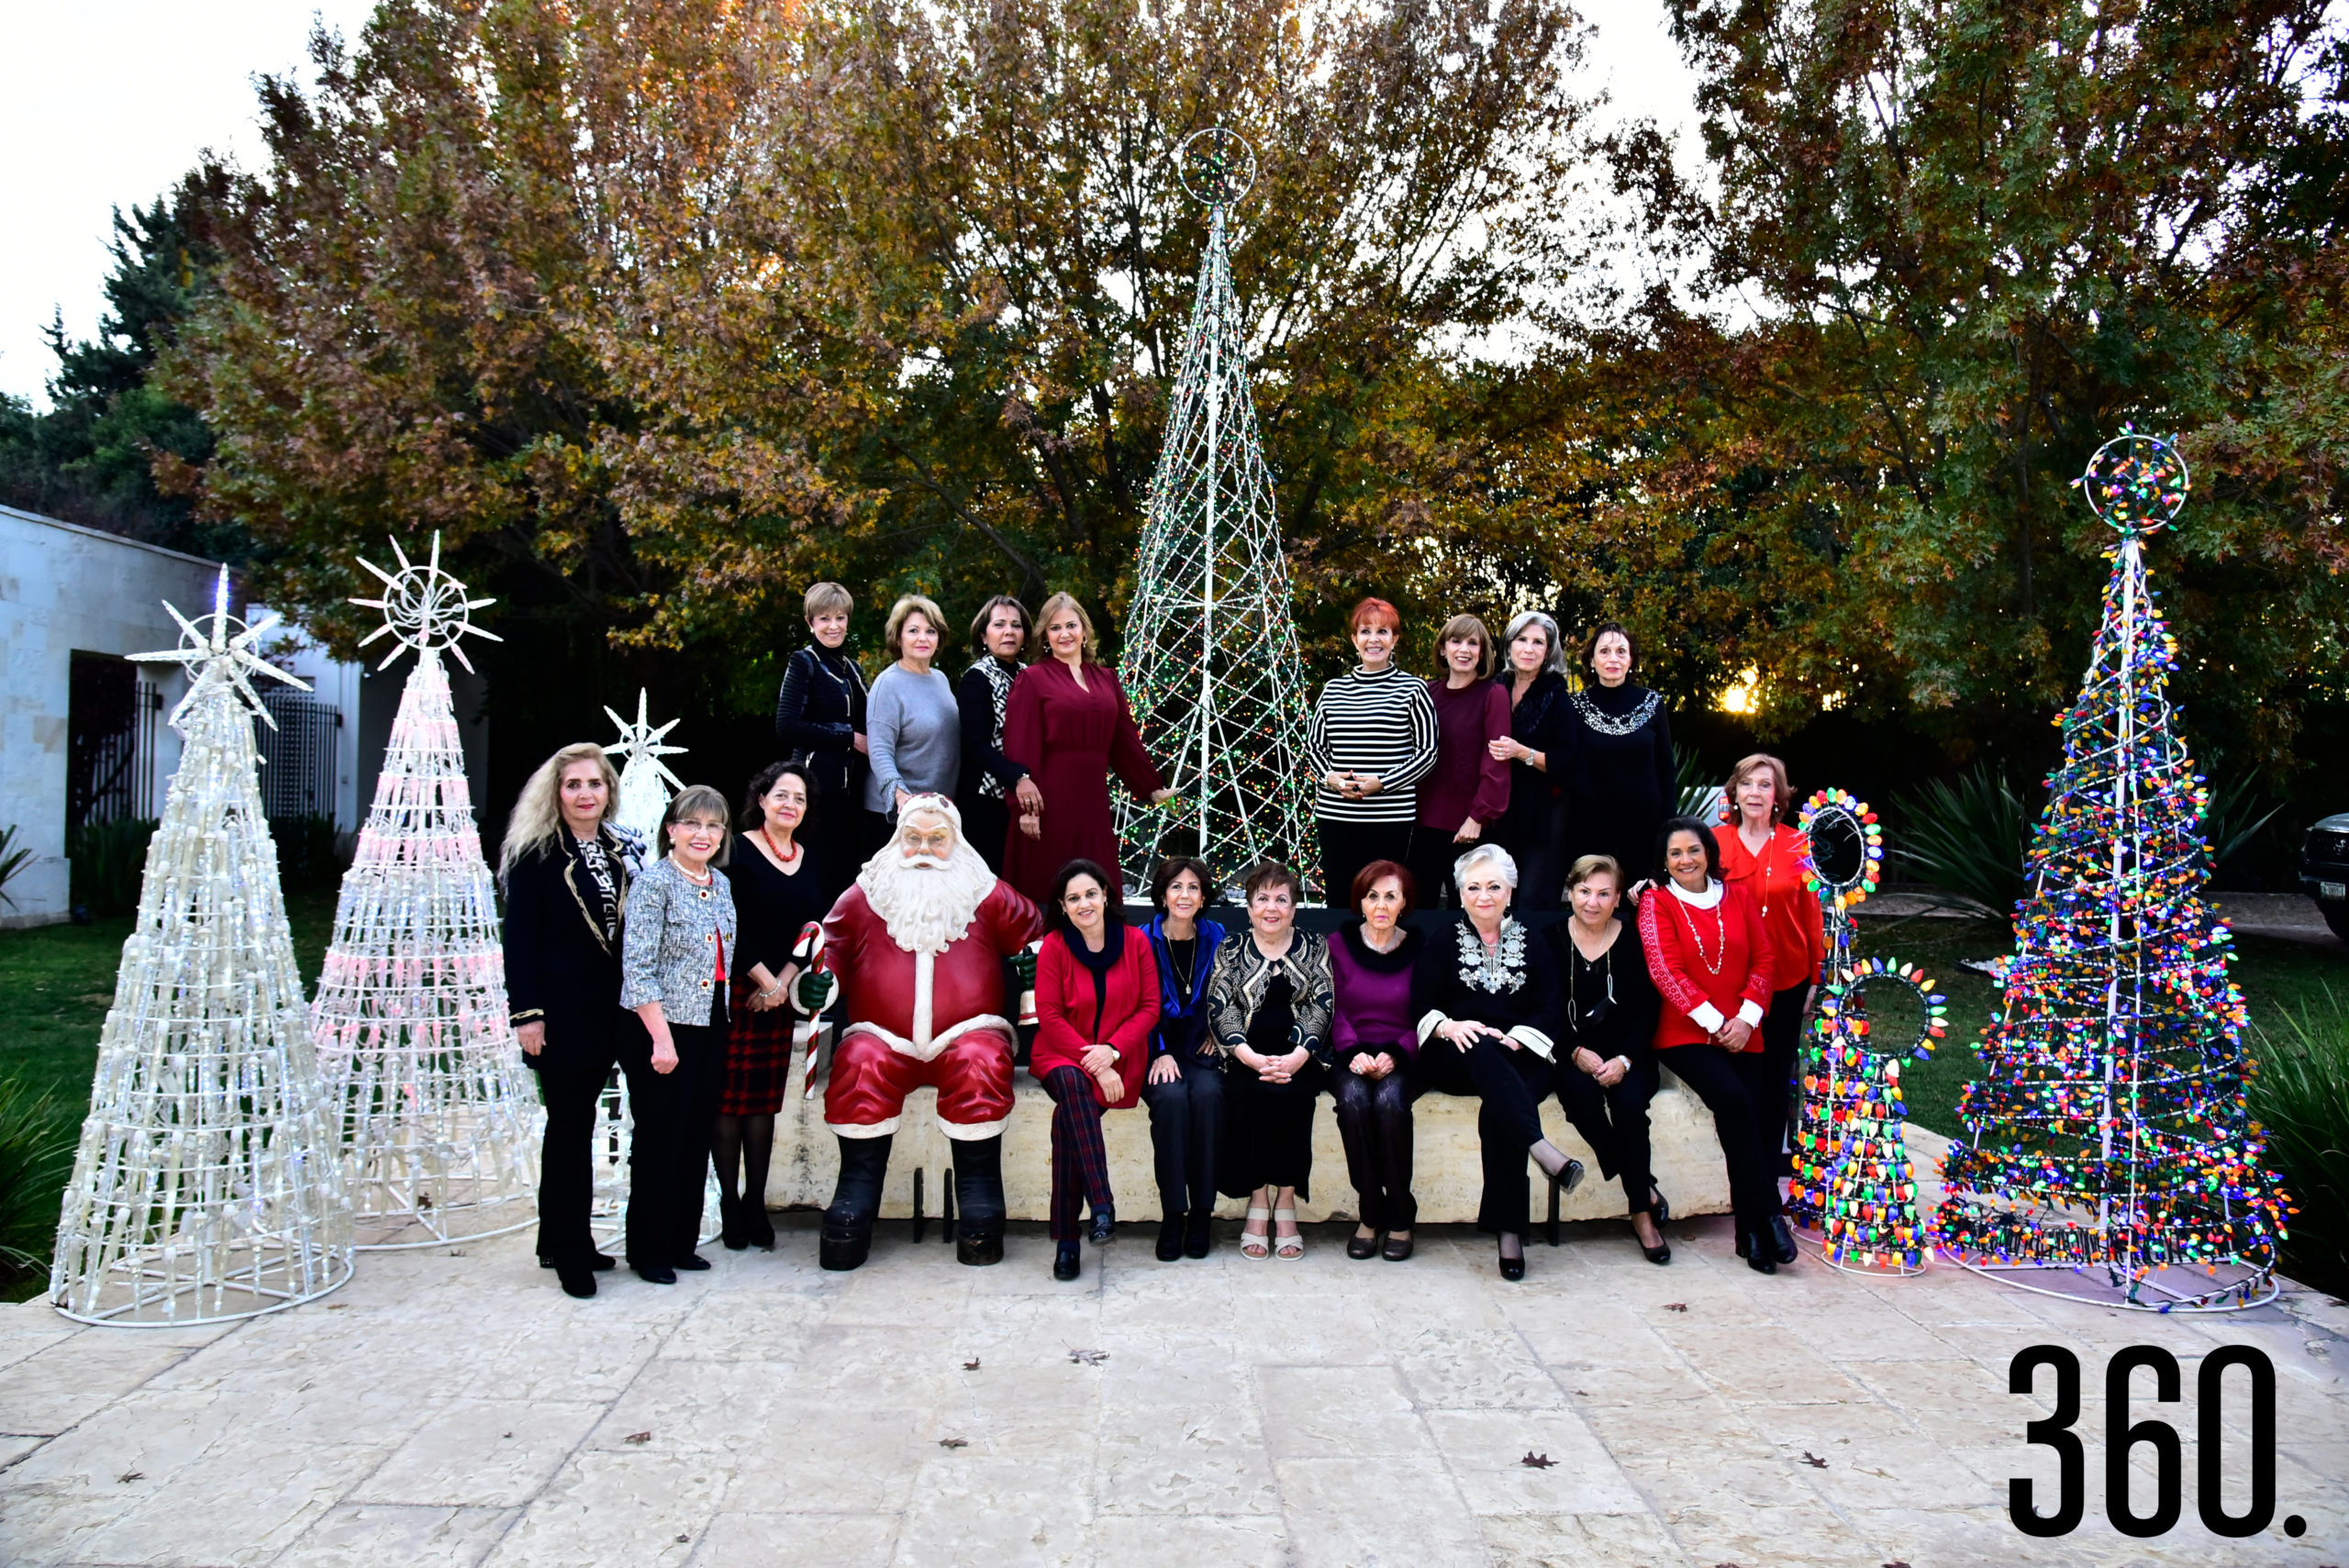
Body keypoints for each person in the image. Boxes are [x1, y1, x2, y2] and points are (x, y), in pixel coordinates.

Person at [790, 795, 1044, 1270]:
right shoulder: (867, 893)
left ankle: (980, 1192)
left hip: (969, 1031)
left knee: (982, 1063)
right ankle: (856, 1191)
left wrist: (1038, 963)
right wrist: (819, 985)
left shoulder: (986, 891)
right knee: (859, 1063)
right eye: (913, 838)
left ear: (957, 841)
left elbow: (1035, 932)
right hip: (881, 1034)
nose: (924, 848)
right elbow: (834, 951)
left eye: (937, 839)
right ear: (897, 838)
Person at [1409, 842, 1586, 1280]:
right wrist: (1449, 1026)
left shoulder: (1535, 941)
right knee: (1481, 1047)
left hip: (1522, 1056)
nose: (1483, 896)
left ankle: (1508, 1230)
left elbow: (1551, 1006)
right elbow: (1419, 1003)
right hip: (1457, 1056)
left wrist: (1516, 1039)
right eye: (1473, 887)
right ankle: (1542, 1151)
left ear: (1510, 891)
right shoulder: (1441, 940)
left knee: (1502, 1107)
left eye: (1494, 886)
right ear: (1460, 894)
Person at [500, 742, 631, 1299]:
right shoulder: (535, 855)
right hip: (558, 1015)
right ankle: (572, 1252)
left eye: (595, 784)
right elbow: (519, 941)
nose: (585, 794)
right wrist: (527, 1015)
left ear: (609, 792)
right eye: (574, 785)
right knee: (571, 1131)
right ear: (557, 793)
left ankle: (556, 1236)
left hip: (609, 1013)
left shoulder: (617, 851)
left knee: (578, 1128)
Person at [1636, 816, 1788, 1273]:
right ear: (1663, 862)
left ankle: (1751, 1235)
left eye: (1694, 850)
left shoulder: (1738, 895)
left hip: (1746, 1030)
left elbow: (1765, 958)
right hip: (1684, 1034)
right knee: (1734, 1101)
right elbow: (1665, 971)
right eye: (1675, 853)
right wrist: (1717, 1023)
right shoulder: (1655, 902)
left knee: (1753, 1124)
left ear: (1709, 853)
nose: (1686, 859)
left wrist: (1745, 1019)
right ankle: (1768, 1217)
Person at [618, 785, 739, 1284]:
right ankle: (649, 1250)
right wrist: (661, 1040)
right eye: (692, 823)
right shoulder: (654, 884)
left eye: (713, 825)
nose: (703, 834)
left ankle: (681, 1243)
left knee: (695, 1137)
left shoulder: (722, 884)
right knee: (659, 1139)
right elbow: (638, 968)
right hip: (661, 1028)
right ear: (672, 829)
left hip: (711, 1022)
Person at [1030, 860, 1161, 1281]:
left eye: (1090, 894)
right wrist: (1096, 1062)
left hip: (1121, 1057)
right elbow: (1048, 1015)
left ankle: (1068, 1242)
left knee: (1066, 1119)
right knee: (1071, 1082)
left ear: (1106, 895)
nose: (1084, 903)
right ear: (1063, 907)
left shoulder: (1136, 942)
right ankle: (1101, 1204)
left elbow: (1149, 1007)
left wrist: (1113, 1053)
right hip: (1064, 1053)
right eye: (1073, 898)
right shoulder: (1054, 945)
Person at [1000, 593, 1174, 903]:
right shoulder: (1032, 679)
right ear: (1045, 635)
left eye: (1071, 625)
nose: (1064, 634)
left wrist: (1151, 787)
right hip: (1049, 804)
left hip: (1092, 803)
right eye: (1055, 628)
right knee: (1051, 889)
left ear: (1084, 630)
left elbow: (1123, 741)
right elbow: (1019, 747)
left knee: (1098, 885)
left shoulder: (1106, 679)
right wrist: (1024, 809)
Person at [716, 762, 826, 1251]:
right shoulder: (734, 850)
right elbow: (722, 922)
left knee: (762, 1106)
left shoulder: (810, 859)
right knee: (727, 1105)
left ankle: (756, 1204)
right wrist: (760, 979)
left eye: (799, 799)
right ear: (761, 799)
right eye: (781, 795)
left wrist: (781, 983)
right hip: (735, 992)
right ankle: (728, 1205)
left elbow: (810, 931)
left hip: (778, 996)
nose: (789, 805)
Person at [1207, 862, 1333, 1261]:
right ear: (1248, 908)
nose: (1272, 907)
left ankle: (1287, 1201)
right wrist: (1247, 1056)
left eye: (1282, 899)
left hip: (1301, 1056)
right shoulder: (1230, 947)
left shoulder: (1315, 945)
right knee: (1248, 1098)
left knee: (1295, 1100)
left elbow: (1321, 1003)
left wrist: (1297, 1057)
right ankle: (1259, 1200)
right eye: (1262, 899)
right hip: (1245, 1057)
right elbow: (1220, 1005)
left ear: (1294, 907)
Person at [1548, 855, 1669, 1264]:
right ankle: (1641, 1184)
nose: (1592, 902)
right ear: (1570, 893)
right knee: (1578, 1097)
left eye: (1603, 893)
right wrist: (1575, 1051)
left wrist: (1624, 1060)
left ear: (1618, 897)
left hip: (1629, 1054)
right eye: (1584, 891)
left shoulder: (1634, 939)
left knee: (1630, 1106)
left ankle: (1641, 1215)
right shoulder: (1549, 938)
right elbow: (1543, 1009)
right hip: (1571, 1052)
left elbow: (1648, 1011)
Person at [1714, 753, 1826, 1191]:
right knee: (1743, 1081)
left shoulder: (1800, 844)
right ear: (1734, 793)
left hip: (1788, 977)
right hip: (1734, 983)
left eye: (1765, 785)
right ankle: (1741, 1174)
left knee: (1777, 1079)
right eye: (1747, 784)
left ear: (1778, 795)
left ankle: (1763, 1178)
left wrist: (1816, 977)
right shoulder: (1715, 842)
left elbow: (1812, 914)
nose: (1755, 793)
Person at [1308, 597, 1439, 904]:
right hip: (1336, 815)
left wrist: (1383, 782)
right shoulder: (1333, 689)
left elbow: (1428, 752)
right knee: (1340, 897)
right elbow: (1313, 748)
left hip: (1389, 817)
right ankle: (1339, 952)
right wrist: (1333, 780)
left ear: (1394, 639)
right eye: (1366, 631)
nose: (1374, 640)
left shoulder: (1413, 689)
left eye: (1382, 632)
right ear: (1355, 640)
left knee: (1383, 896)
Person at [1328, 861, 1425, 1262]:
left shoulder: (1421, 947)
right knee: (1352, 1102)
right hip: (1348, 1052)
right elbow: (1328, 1006)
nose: (1381, 904)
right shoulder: (1338, 944)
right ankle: (1370, 1212)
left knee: (1388, 1103)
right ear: (1360, 902)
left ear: (1404, 903)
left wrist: (1397, 1052)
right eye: (1372, 896)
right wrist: (1352, 1053)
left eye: (1390, 896)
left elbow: (1429, 1012)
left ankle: (1400, 1214)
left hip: (1404, 1054)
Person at [1140, 855, 1229, 1262]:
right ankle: (1173, 1213)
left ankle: (1202, 1214)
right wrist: (1158, 1051)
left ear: (1203, 895)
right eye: (1176, 886)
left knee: (1209, 1096)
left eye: (1193, 887)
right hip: (1154, 1044)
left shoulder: (1217, 935)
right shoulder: (1141, 938)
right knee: (1172, 1100)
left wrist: (1218, 1030)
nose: (1184, 894)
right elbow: (1135, 1004)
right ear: (1162, 893)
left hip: (1201, 1045)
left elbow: (1231, 992)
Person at [1558, 622, 1678, 882]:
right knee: (1594, 900)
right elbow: (1567, 764)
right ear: (1591, 660)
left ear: (1632, 659)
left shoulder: (1653, 703)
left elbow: (1666, 767)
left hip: (1645, 826)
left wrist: (1670, 824)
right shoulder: (1574, 706)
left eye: (1621, 651)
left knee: (1642, 900)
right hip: (1590, 826)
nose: (1613, 658)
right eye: (1604, 651)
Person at [774, 581, 870, 902]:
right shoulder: (804, 662)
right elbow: (787, 726)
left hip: (854, 792)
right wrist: (847, 738)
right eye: (824, 618)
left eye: (840, 618)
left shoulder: (854, 670)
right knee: (817, 874)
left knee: (848, 876)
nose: (833, 626)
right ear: (810, 622)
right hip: (815, 788)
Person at [1412, 614, 1510, 909]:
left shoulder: (1493, 694)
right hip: (1420, 821)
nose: (1464, 649)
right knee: (1419, 909)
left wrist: (1478, 816)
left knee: (1466, 911)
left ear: (1482, 652)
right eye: (1456, 641)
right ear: (1443, 649)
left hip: (1467, 826)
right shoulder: (1426, 693)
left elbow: (1497, 761)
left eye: (1473, 643)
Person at [1485, 611, 1571, 910]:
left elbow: (1566, 762)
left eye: (1538, 642)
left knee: (1532, 900)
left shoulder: (1557, 695)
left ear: (1548, 651)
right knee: (1497, 898)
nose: (1529, 648)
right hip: (1499, 812)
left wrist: (1522, 752)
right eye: (1522, 639)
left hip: (1541, 815)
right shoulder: (1495, 686)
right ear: (1509, 645)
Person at [955, 595, 1041, 876]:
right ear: (984, 634)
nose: (1009, 631)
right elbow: (975, 745)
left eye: (1016, 625)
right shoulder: (976, 679)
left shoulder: (1030, 675)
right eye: (999, 624)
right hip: (985, 801)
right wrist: (1018, 777)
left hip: (1028, 797)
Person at [864, 595, 960, 845]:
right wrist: (900, 797)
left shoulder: (940, 679)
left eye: (930, 631)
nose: (922, 638)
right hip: (897, 815)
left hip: (937, 811)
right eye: (913, 630)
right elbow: (879, 750)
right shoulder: (888, 684)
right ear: (899, 637)